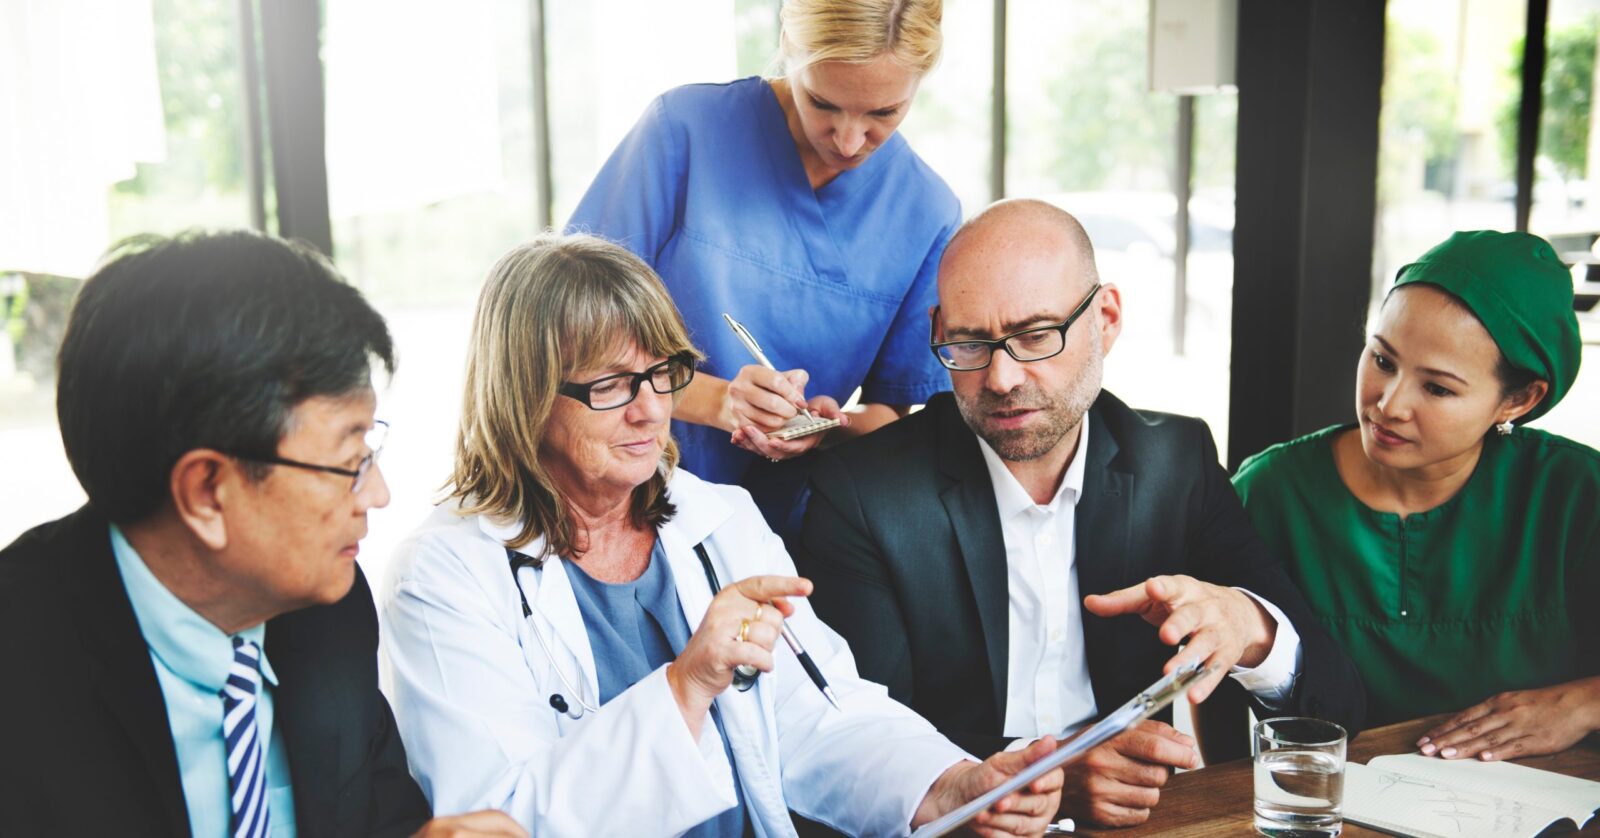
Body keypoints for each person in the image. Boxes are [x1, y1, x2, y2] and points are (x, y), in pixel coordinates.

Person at [381, 233, 1066, 837]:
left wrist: (952, 786)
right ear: (525, 394)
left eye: (662, 375)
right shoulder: (444, 574)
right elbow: (495, 820)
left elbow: (823, 716)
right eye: (616, 385)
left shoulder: (723, 520)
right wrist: (685, 687)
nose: (653, 412)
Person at [798, 199, 1367, 828]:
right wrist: (1051, 779)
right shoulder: (862, 492)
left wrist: (1254, 628)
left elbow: (1338, 708)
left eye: (1036, 335)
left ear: (1107, 319)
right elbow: (857, 746)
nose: (1003, 377)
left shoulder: (1174, 464)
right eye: (969, 343)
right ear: (938, 332)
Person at [0, 231, 523, 837]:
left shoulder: (328, 614)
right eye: (350, 460)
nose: (378, 494)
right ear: (206, 492)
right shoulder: (22, 677)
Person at [567, 0, 959, 538]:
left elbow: (888, 416)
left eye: (882, 114)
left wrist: (823, 428)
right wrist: (721, 402)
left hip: (782, 528)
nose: (848, 141)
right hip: (617, 498)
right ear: (788, 47)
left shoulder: (927, 211)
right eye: (823, 103)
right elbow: (568, 329)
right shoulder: (684, 131)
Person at [1233, 230, 1600, 760]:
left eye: (1438, 388)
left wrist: (1584, 704)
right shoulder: (1269, 493)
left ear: (1517, 400)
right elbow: (1214, 674)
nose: (1389, 404)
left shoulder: (1575, 497)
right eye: (1382, 360)